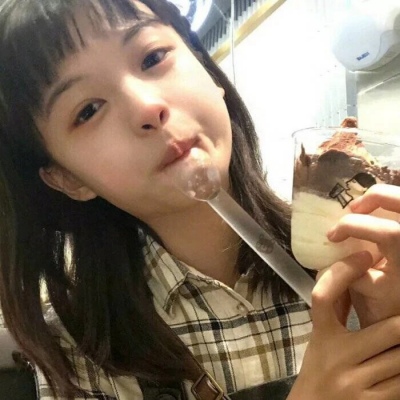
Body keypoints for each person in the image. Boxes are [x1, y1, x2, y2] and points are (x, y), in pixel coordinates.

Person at [0, 0, 400, 399]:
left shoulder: (356, 255)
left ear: (207, 69)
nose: (147, 107)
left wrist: (385, 327)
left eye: (152, 57)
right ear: (68, 178)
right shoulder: (79, 354)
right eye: (88, 110)